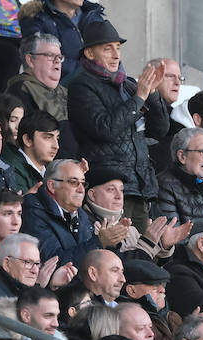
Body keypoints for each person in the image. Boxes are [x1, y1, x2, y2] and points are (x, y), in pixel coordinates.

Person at [67, 20, 170, 228]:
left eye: (118, 48)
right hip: (108, 187)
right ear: (89, 53)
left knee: (143, 251)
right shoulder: (81, 85)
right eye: (108, 49)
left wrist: (152, 95)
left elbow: (159, 131)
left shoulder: (129, 85)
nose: (116, 55)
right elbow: (104, 128)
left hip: (141, 187)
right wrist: (139, 99)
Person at [18, 0, 107, 79]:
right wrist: (89, 71)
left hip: (94, 82)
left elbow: (110, 55)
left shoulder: (94, 17)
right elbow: (44, 61)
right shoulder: (37, 18)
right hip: (58, 87)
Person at [21, 159, 103, 265]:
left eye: (83, 183)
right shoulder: (33, 212)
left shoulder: (80, 214)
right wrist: (99, 242)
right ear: (52, 186)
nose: (81, 189)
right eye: (73, 182)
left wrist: (111, 242)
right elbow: (55, 263)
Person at [6, 33, 75, 155]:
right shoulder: (20, 89)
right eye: (50, 56)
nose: (57, 61)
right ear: (30, 60)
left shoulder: (66, 91)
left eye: (60, 57)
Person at [1, 109, 60, 193]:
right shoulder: (12, 170)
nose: (56, 146)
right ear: (27, 140)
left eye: (57, 138)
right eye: (48, 137)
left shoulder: (49, 174)